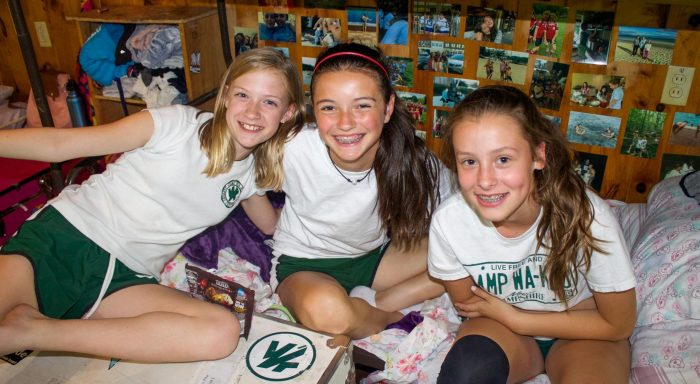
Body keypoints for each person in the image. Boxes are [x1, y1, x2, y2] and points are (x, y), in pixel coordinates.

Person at [0, 48, 305, 362]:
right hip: (66, 237)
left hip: (127, 277)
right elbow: (59, 144)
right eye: (243, 95)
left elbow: (271, 225)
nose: (253, 112)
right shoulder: (176, 123)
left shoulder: (253, 176)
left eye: (269, 101)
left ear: (287, 114)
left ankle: (33, 331)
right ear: (226, 95)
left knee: (221, 331)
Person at [431, 85, 636, 383]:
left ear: (538, 156)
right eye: (470, 162)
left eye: (503, 159)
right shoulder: (449, 222)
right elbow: (471, 307)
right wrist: (511, 323)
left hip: (583, 333)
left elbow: (619, 324)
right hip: (502, 329)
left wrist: (519, 318)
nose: (485, 181)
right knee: (466, 373)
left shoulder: (588, 216)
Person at [271, 43, 450, 340]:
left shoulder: (410, 158)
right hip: (303, 265)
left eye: (362, 105)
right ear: (313, 110)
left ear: (388, 108)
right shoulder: (292, 148)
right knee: (329, 312)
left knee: (471, 251)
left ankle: (375, 302)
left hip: (376, 260)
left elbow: (466, 207)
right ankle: (391, 318)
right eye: (329, 107)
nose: (345, 123)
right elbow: (234, 167)